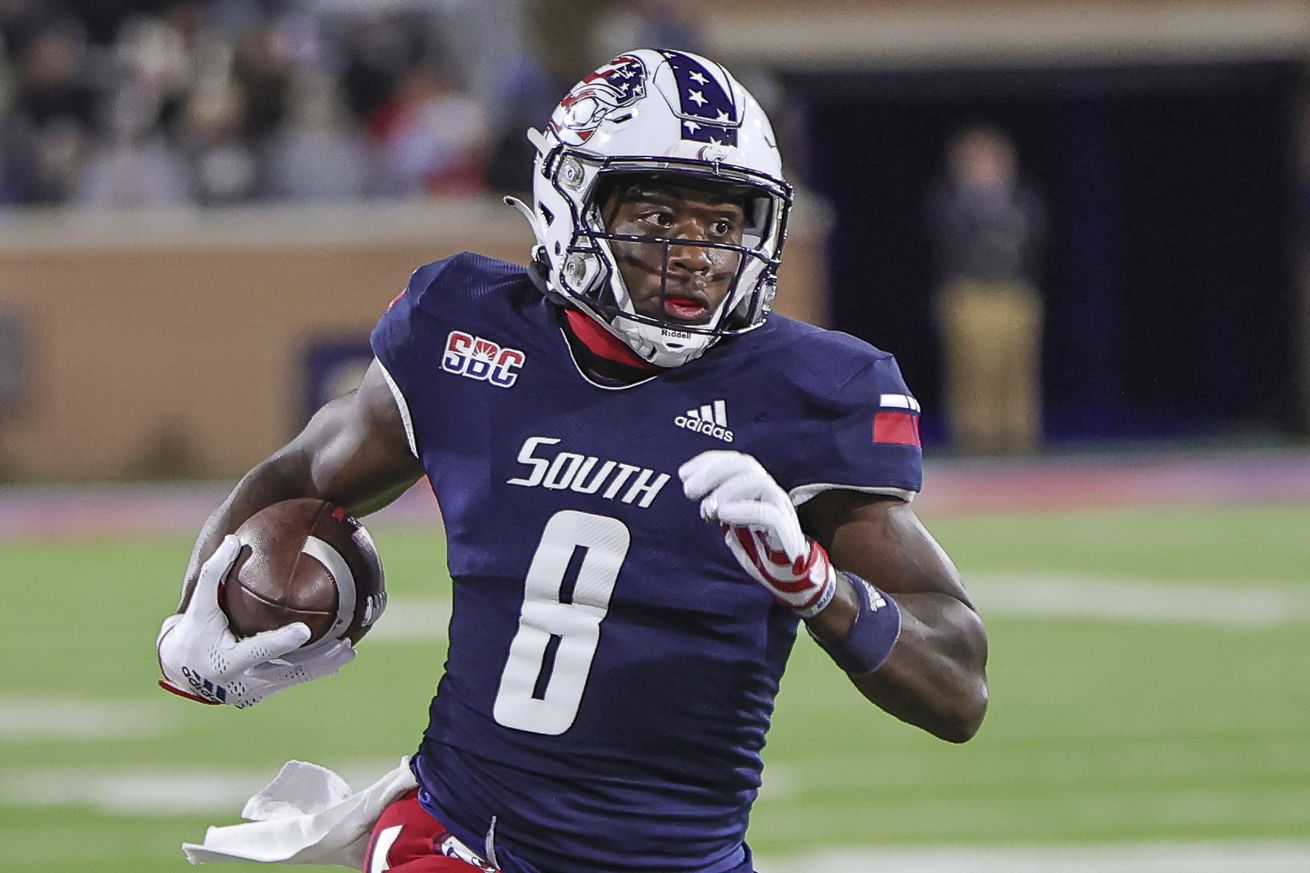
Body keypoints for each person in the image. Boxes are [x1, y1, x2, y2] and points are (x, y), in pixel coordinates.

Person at [156, 49, 989, 873]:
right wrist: (195, 618)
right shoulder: (466, 331)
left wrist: (818, 586)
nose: (697, 253)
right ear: (572, 200)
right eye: (659, 219)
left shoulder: (812, 392)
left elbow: (960, 690)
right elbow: (301, 476)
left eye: (723, 225)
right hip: (462, 839)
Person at [926, 124, 1047, 454]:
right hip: (969, 292)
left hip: (1013, 291)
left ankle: (1019, 438)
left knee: (1016, 367)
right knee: (973, 368)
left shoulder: (1023, 200)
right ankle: (973, 439)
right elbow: (945, 245)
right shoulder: (949, 202)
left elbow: (1035, 243)